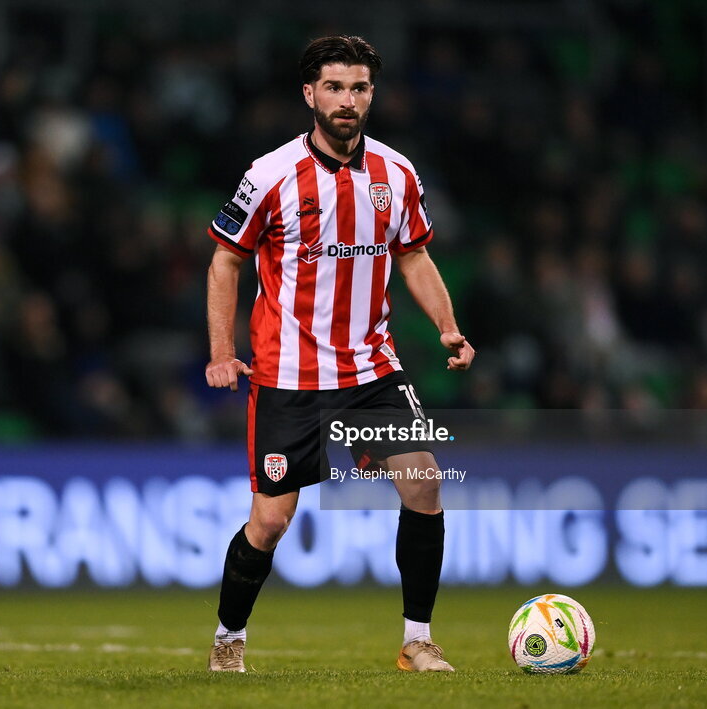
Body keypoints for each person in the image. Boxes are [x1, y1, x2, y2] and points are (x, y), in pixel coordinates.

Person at [205, 35, 475, 673]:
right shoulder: (269, 174)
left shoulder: (396, 173)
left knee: (423, 482)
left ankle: (417, 640)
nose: (346, 100)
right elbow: (225, 259)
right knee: (271, 521)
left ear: (371, 94)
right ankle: (228, 640)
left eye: (358, 88)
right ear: (310, 95)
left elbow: (413, 254)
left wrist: (447, 326)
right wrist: (222, 350)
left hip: (372, 368)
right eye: (334, 87)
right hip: (287, 374)